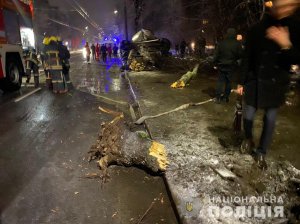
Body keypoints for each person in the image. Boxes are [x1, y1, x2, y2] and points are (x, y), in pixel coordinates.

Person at [237, 0, 300, 169]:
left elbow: (296, 58)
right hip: (254, 81)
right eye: (284, 4)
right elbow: (247, 58)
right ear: (276, 4)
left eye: (291, 6)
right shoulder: (256, 29)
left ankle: (261, 153)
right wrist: (241, 82)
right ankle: (248, 138)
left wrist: (286, 44)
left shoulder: (294, 27)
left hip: (276, 84)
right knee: (248, 116)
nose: (286, 8)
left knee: (270, 120)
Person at [213, 28, 243, 103]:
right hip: (231, 66)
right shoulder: (237, 44)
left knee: (220, 81)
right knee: (229, 82)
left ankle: (218, 97)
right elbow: (240, 55)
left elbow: (216, 55)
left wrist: (215, 63)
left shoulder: (221, 43)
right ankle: (225, 97)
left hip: (221, 65)